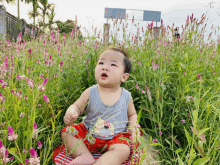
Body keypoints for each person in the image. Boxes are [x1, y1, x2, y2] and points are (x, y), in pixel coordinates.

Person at [61, 47, 141, 165]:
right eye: (101, 63)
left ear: (124, 77)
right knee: (67, 132)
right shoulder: (90, 92)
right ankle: (84, 155)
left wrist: (133, 129)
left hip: (115, 138)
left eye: (113, 65)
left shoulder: (126, 96)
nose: (104, 67)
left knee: (124, 150)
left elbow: (132, 114)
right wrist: (72, 111)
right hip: (89, 134)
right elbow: (77, 106)